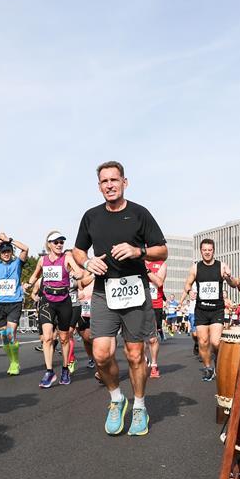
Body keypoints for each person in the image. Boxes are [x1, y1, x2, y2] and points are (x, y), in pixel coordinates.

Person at [72, 160, 167, 436]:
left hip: (134, 291)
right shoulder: (91, 216)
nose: (110, 185)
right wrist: (87, 262)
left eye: (114, 180)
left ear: (125, 182)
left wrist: (138, 251)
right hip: (104, 292)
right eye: (104, 181)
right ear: (99, 186)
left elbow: (162, 250)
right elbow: (78, 250)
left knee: (135, 355)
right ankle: (116, 399)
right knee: (101, 354)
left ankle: (139, 406)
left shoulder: (140, 214)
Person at [23, 230, 82, 388]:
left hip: (64, 301)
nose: (59, 244)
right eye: (56, 242)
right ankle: (49, 372)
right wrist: (28, 284)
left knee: (64, 338)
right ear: (49, 244)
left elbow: (78, 271)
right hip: (47, 300)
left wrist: (77, 274)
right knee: (47, 338)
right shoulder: (42, 260)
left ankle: (65, 369)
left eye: (61, 242)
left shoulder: (67, 257)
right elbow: (35, 276)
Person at [181, 239, 240, 381]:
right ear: (201, 251)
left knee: (215, 342)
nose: (207, 252)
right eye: (204, 250)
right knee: (202, 341)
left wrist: (228, 277)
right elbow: (187, 284)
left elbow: (234, 284)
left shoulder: (222, 266)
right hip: (201, 310)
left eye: (210, 250)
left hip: (216, 310)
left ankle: (218, 362)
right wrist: (190, 291)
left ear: (213, 250)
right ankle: (208, 368)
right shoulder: (195, 268)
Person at [0, 233, 29, 375]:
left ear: (12, 252)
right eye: (3, 252)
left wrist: (9, 240)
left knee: (10, 333)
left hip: (15, 302)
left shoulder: (17, 263)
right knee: (4, 337)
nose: (6, 254)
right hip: (0, 304)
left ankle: (15, 363)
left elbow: (25, 249)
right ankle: (12, 361)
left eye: (8, 251)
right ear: (0, 254)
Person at [145, 258, 167, 378]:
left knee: (152, 339)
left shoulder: (161, 264)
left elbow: (159, 282)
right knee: (136, 339)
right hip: (138, 304)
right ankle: (143, 359)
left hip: (155, 305)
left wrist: (146, 269)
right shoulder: (134, 261)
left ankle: (154, 365)